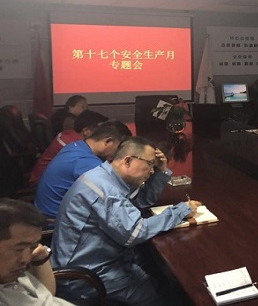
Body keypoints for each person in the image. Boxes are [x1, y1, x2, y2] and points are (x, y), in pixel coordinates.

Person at [51, 136, 200, 305]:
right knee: (169, 297)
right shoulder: (105, 190)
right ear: (128, 161)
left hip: (98, 261)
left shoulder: (104, 177)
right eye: (150, 164)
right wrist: (181, 211)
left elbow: (141, 201)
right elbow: (135, 232)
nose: (152, 171)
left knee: (159, 272)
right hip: (87, 277)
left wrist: (161, 172)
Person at [34, 120, 132, 218]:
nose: (119, 153)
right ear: (108, 141)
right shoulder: (87, 162)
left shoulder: (74, 146)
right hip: (55, 218)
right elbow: (115, 193)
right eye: (119, 148)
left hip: (44, 210)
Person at [0, 198, 73, 305]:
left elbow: (47, 296)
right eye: (19, 249)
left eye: (33, 247)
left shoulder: (11, 273)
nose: (26, 259)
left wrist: (41, 259)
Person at [29, 110, 108, 187]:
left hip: (48, 179)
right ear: (86, 131)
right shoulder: (72, 146)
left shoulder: (68, 134)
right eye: (101, 132)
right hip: (40, 181)